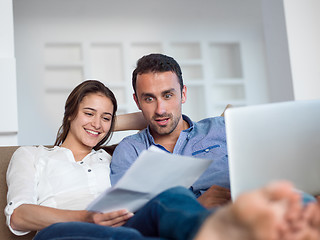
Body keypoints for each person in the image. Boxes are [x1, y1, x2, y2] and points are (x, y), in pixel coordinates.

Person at [5, 80, 320, 240]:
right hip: (71, 231)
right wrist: (87, 218)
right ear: (69, 113)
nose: (97, 125)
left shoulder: (108, 159)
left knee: (171, 195)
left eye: (106, 118)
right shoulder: (33, 155)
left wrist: (103, 120)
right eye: (88, 114)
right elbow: (19, 216)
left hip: (130, 225)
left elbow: (158, 117)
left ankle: (220, 231)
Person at [110, 53, 230, 208]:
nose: (160, 110)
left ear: (183, 94)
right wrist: (194, 205)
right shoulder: (130, 151)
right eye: (149, 99)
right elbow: (124, 211)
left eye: (167, 95)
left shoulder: (221, 129)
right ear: (137, 102)